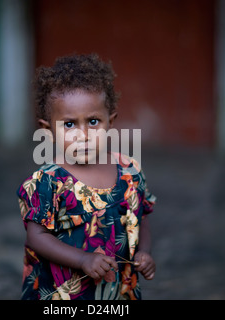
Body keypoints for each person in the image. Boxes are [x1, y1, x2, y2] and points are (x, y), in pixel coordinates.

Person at [16, 53, 156, 300]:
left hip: (116, 292)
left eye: (93, 121)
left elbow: (141, 216)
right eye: (69, 124)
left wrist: (144, 252)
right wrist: (83, 259)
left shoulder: (130, 170)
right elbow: (36, 237)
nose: (83, 134)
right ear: (48, 130)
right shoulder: (47, 181)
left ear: (109, 122)